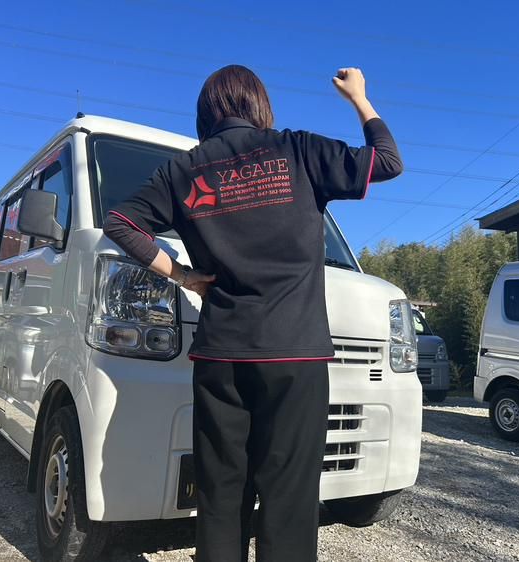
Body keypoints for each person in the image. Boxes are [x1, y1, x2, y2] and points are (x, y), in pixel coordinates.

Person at [104, 65, 402, 562]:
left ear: (206, 112)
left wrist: (182, 275)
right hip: (295, 357)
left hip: (221, 356)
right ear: (259, 105)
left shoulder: (184, 171)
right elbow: (387, 161)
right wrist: (359, 98)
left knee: (221, 493)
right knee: (289, 496)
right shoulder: (298, 150)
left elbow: (119, 223)